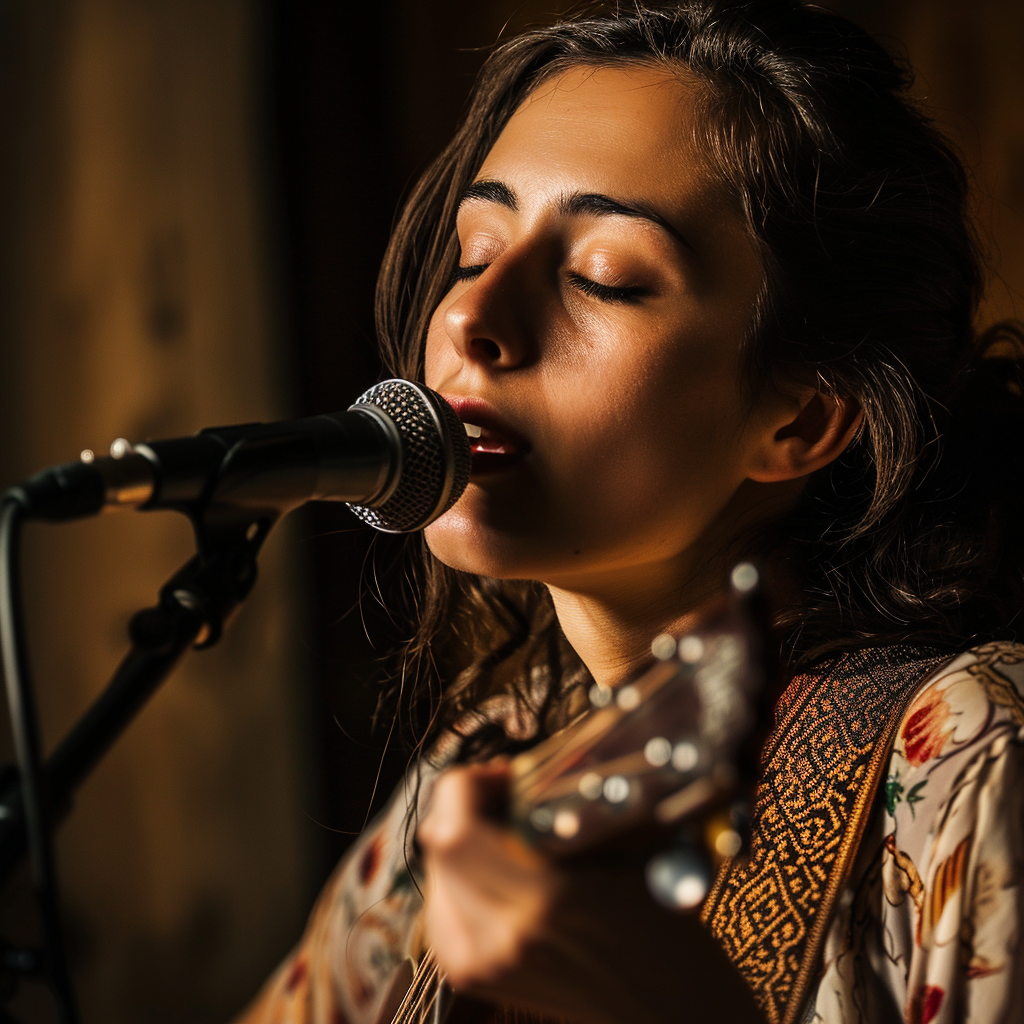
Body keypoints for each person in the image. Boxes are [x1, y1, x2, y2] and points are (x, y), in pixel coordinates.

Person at [237, 2, 1024, 1022]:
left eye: (601, 277)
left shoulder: (970, 752)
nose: (473, 318)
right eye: (475, 251)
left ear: (803, 421)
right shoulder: (491, 755)